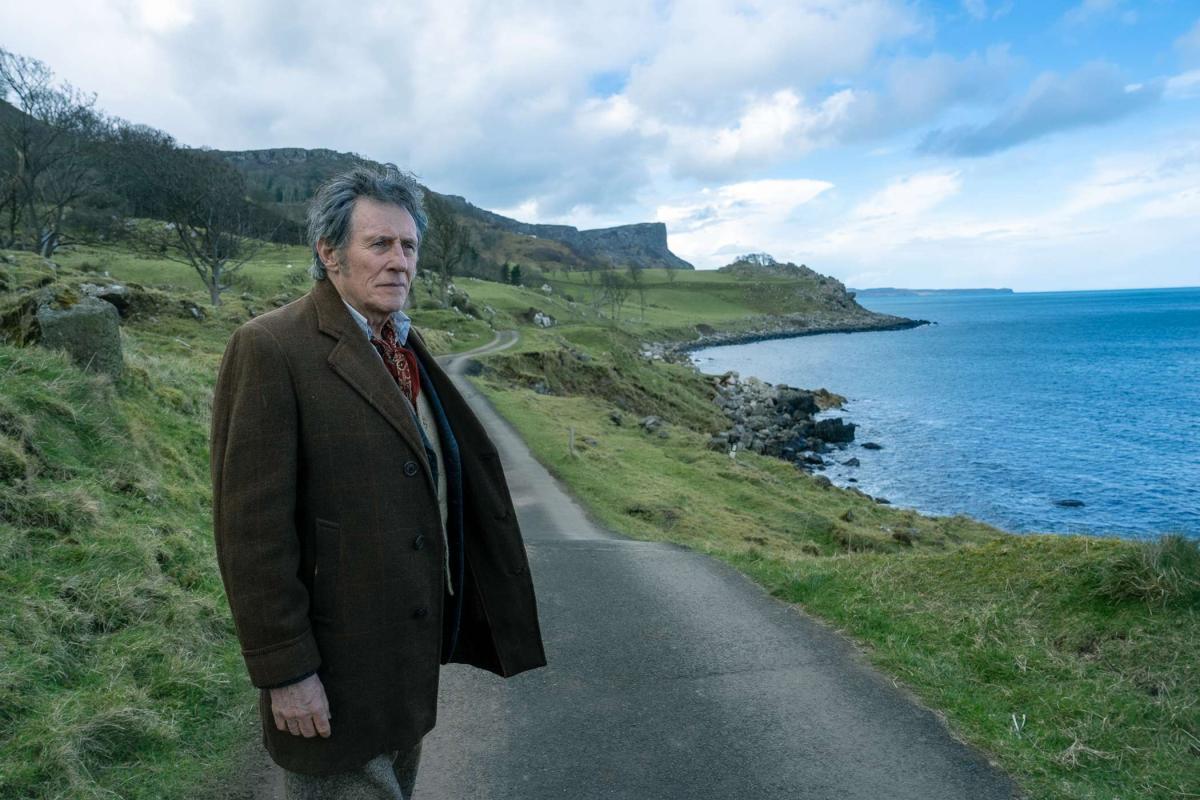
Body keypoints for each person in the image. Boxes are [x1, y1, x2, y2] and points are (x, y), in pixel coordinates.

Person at [210, 164, 546, 799]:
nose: (400, 262)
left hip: (403, 668)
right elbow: (250, 535)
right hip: (333, 672)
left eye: (409, 246)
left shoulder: (399, 343)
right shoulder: (270, 347)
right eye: (379, 244)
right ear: (329, 252)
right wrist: (286, 673)